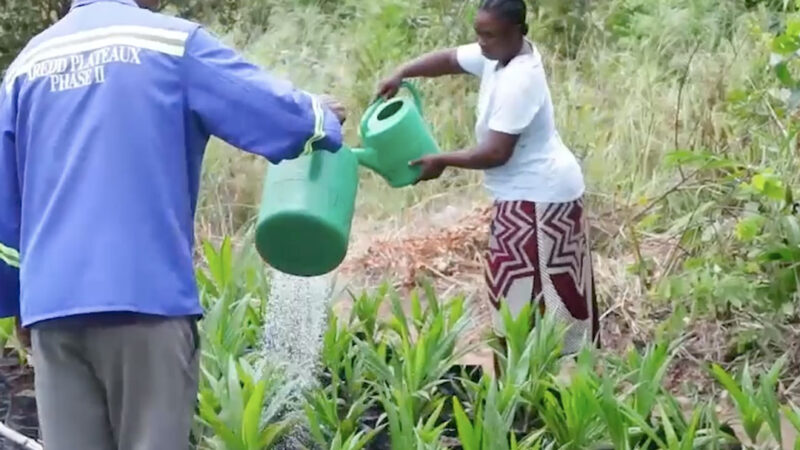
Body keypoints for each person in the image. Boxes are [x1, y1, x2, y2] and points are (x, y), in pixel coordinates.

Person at [0, 0, 346, 448]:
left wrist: (21, 303)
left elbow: (6, 209)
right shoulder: (169, 42)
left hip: (52, 313)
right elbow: (268, 109)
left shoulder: (27, 65)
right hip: (144, 302)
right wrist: (318, 118)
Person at [377, 0, 600, 362]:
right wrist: (402, 72)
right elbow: (450, 59)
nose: (481, 42)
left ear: (518, 31)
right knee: (516, 299)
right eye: (478, 34)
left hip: (541, 199)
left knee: (528, 303)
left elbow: (496, 153)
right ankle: (523, 393)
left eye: (489, 35)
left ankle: (532, 396)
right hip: (526, 195)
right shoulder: (500, 54)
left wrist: (441, 160)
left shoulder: (520, 79)